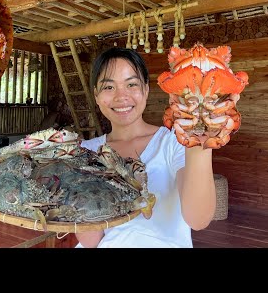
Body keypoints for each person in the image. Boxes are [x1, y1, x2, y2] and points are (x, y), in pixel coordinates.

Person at [76, 47, 216, 248]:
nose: (121, 96)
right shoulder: (86, 152)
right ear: (96, 96)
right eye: (109, 87)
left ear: (146, 89)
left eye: (131, 84)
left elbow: (198, 219)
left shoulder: (174, 142)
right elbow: (91, 241)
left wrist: (199, 141)